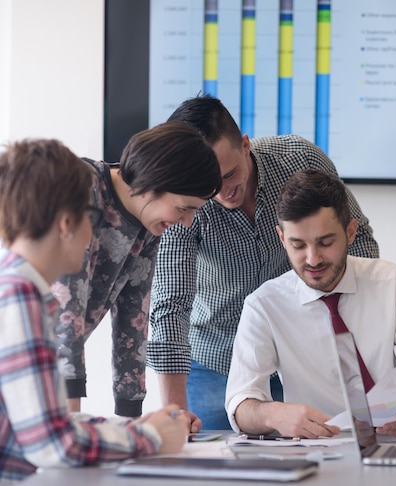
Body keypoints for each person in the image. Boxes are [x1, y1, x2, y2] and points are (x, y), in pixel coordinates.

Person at [148, 95, 379, 429]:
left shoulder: (300, 159)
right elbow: (170, 304)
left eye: (229, 175)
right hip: (217, 359)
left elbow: (358, 245)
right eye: (208, 185)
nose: (222, 192)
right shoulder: (184, 199)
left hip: (305, 357)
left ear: (245, 145)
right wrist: (174, 414)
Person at [0, 139, 189, 482]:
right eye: (93, 218)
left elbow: (47, 423)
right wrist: (150, 438)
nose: (94, 234)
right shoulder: (19, 298)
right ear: (65, 223)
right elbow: (53, 446)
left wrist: (131, 427)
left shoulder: (18, 291)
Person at [225, 169, 396, 440]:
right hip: (318, 448)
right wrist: (274, 414)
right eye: (298, 245)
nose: (313, 259)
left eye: (325, 243)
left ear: (351, 232)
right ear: (282, 238)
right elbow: (239, 401)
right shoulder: (264, 305)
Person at [51, 121, 222, 424]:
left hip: (45, 367)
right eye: (184, 208)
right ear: (153, 183)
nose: (186, 222)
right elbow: (66, 318)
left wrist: (133, 422)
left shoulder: (150, 224)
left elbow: (134, 320)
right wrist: (69, 428)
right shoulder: (83, 189)